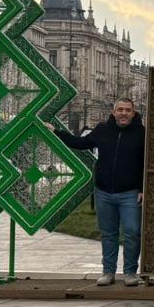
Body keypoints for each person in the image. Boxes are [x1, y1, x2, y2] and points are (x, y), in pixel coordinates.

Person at [54, 97, 145, 287]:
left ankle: (130, 272)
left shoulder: (142, 134)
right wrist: (56, 131)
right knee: (108, 234)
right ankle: (108, 272)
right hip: (104, 192)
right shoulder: (103, 130)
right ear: (113, 112)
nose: (123, 113)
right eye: (120, 109)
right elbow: (79, 143)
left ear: (133, 113)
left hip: (130, 192)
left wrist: (143, 188)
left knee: (132, 232)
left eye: (128, 110)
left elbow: (147, 162)